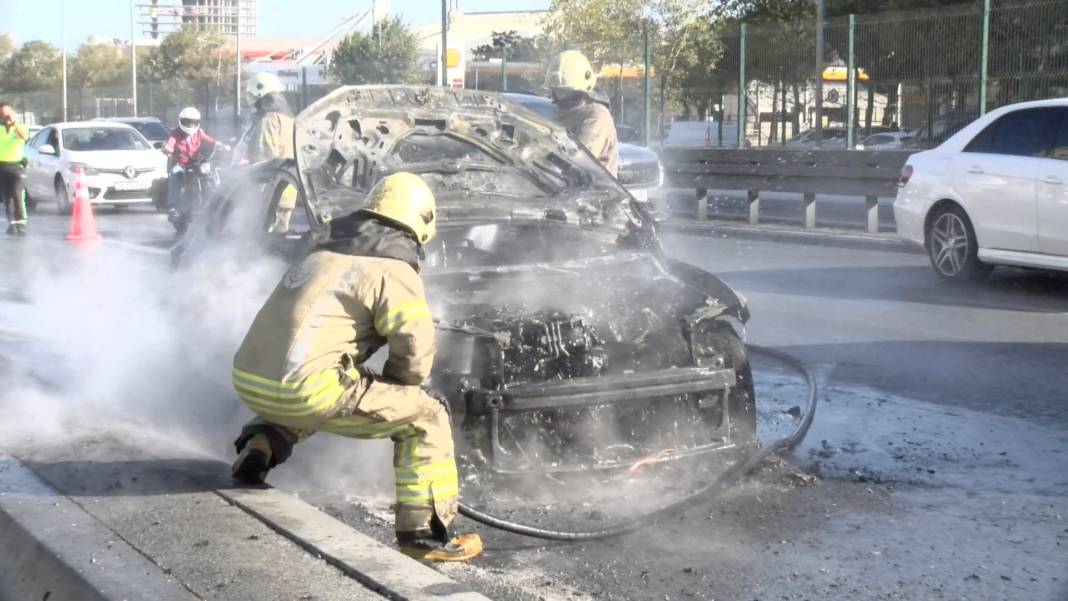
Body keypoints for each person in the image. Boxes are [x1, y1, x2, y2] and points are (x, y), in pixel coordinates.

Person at [229, 172, 482, 563]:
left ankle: (259, 446)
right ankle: (423, 535)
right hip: (305, 389)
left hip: (250, 381)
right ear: (421, 222)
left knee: (330, 384)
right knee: (428, 416)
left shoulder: (322, 253)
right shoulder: (394, 269)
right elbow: (414, 353)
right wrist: (400, 392)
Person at [238, 72, 298, 231]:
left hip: (268, 195)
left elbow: (264, 159)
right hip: (287, 193)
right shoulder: (290, 120)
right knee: (278, 245)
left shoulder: (268, 120)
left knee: (259, 243)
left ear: (262, 96)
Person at [545, 50, 619, 177]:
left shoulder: (596, 116)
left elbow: (577, 160)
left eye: (565, 92)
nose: (560, 97)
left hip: (595, 193)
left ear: (582, 90)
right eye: (556, 91)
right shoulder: (564, 114)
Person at [162, 106, 227, 216]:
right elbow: (170, 143)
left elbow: (210, 141)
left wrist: (221, 145)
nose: (190, 125)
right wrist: (168, 148)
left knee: (210, 176)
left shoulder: (199, 133)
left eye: (193, 122)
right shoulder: (175, 133)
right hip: (180, 164)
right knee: (175, 177)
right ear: (181, 121)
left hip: (195, 163)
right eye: (187, 122)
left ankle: (216, 202)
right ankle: (173, 206)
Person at [0, 102, 30, 236]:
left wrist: (14, 123)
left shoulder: (20, 127)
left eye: (7, 114)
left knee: (17, 195)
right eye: (2, 114)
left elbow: (25, 136)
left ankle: (21, 223)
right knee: (7, 197)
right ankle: (12, 223)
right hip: (1, 166)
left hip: (17, 166)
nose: (5, 117)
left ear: (13, 113)